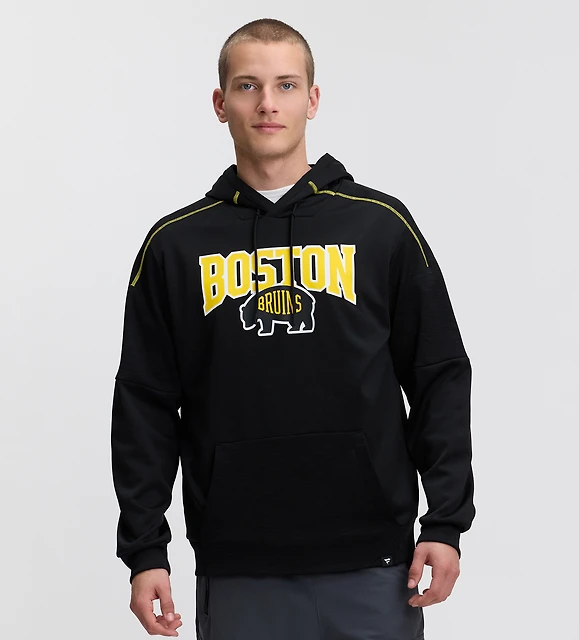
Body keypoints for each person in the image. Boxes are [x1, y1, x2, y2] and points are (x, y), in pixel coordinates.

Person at [111, 17, 475, 640]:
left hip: (375, 564)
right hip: (238, 565)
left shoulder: (380, 226)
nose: (267, 103)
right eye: (247, 86)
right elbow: (144, 403)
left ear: (312, 99)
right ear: (220, 103)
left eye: (285, 85)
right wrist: (146, 550)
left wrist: (445, 521)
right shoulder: (175, 245)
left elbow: (438, 375)